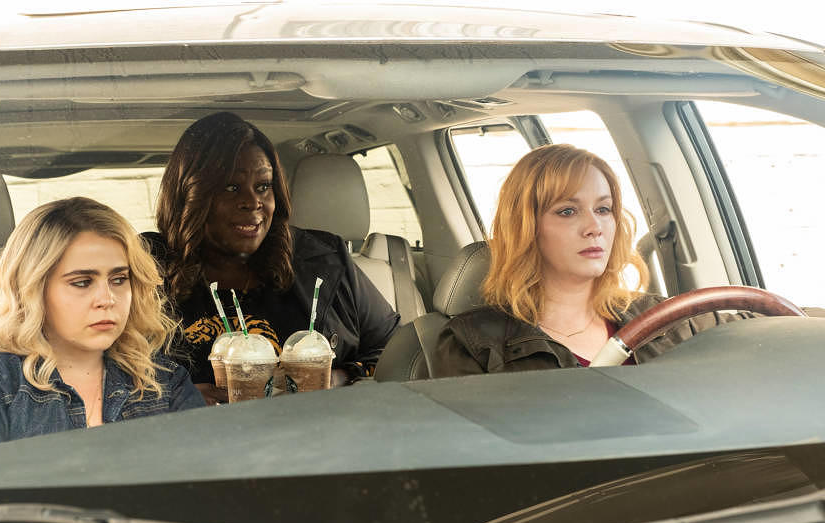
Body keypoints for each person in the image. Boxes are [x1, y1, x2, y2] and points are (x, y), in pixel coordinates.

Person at [148, 111, 399, 405]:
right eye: (231, 187)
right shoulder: (144, 271)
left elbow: (397, 351)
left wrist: (338, 378)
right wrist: (173, 399)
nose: (253, 202)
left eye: (263, 186)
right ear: (192, 194)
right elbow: (110, 376)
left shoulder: (324, 261)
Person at [436, 144, 742, 376]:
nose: (594, 227)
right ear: (525, 228)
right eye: (567, 211)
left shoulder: (664, 318)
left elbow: (761, 335)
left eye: (603, 209)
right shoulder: (473, 344)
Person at [0, 197, 204, 454]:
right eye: (82, 282)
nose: (107, 299)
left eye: (119, 279)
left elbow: (206, 477)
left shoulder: (163, 381)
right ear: (34, 289)